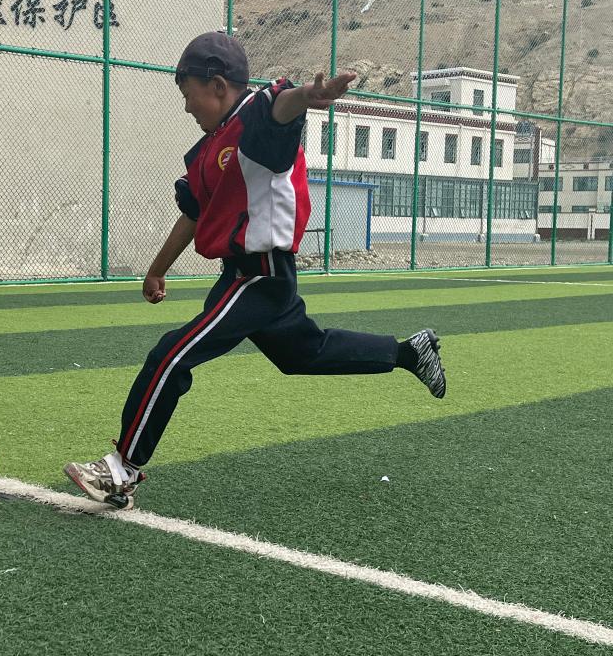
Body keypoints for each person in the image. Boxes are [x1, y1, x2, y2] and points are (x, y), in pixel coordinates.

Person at [64, 31, 446, 510]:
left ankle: (123, 469)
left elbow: (281, 106)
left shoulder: (255, 122)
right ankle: (409, 352)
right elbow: (194, 213)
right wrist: (156, 269)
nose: (187, 107)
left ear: (218, 85)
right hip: (244, 277)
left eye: (189, 94)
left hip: (259, 277)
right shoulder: (208, 150)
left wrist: (308, 95)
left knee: (171, 357)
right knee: (303, 353)